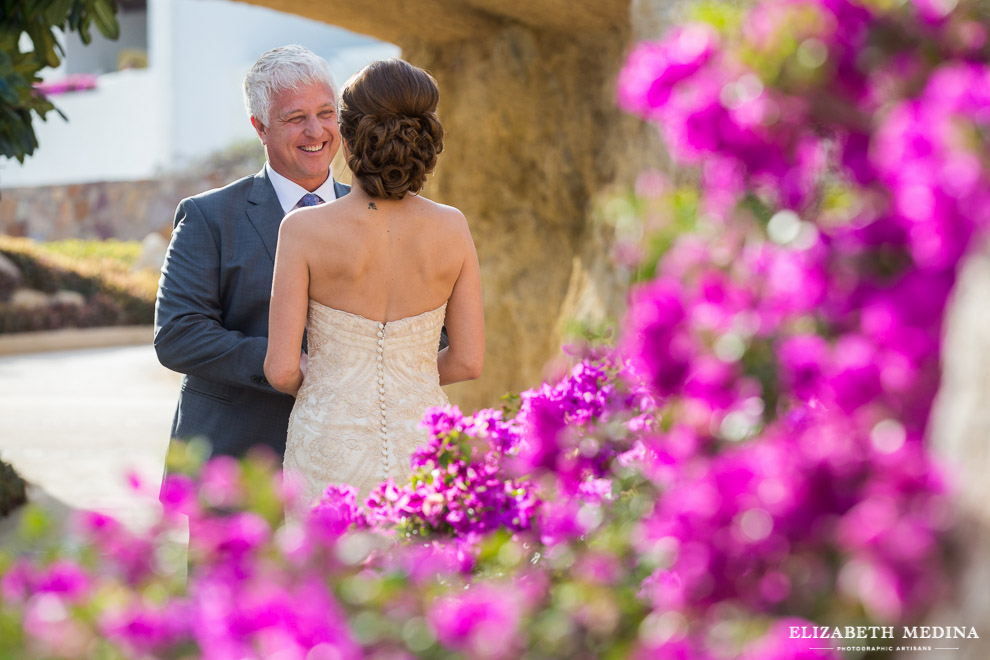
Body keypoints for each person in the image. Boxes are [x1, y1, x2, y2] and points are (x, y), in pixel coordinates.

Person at [264, 59, 484, 508]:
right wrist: (407, 379)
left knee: (329, 574)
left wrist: (338, 383)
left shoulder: (302, 230)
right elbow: (467, 361)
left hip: (328, 444)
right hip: (424, 440)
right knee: (425, 575)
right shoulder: (453, 227)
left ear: (347, 138)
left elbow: (282, 370)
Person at [154, 45, 349, 462]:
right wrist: (289, 366)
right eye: (296, 119)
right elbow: (178, 335)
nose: (316, 131)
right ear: (260, 127)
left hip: (349, 461)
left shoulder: (377, 213)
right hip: (234, 461)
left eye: (326, 113)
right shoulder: (207, 217)